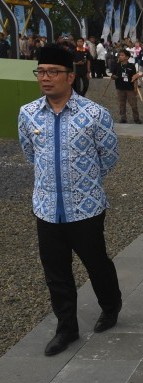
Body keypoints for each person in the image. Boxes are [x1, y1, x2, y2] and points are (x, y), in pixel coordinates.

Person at [18, 44, 122, 356]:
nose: (45, 78)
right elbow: (29, 154)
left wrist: (84, 184)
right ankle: (67, 328)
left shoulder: (94, 114)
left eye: (53, 72)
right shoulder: (28, 114)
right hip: (47, 209)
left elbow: (110, 157)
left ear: (70, 76)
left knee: (96, 262)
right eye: (41, 72)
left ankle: (111, 305)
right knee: (56, 272)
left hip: (87, 208)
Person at [111, 49, 141, 123]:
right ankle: (123, 118)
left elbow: (135, 78)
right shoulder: (117, 65)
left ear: (127, 57)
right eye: (120, 55)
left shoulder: (131, 66)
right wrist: (113, 77)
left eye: (122, 55)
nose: (120, 57)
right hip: (120, 88)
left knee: (133, 104)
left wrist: (135, 87)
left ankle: (136, 118)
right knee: (122, 104)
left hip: (130, 88)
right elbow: (113, 75)